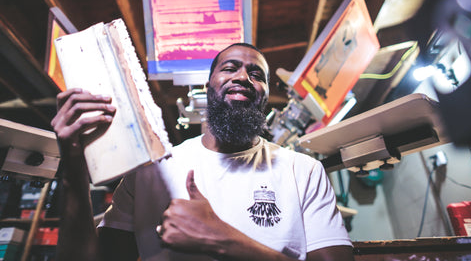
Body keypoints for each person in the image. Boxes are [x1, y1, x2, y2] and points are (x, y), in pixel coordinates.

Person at [51, 43, 353, 261]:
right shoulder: (151, 171)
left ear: (265, 94)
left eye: (257, 74)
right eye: (230, 68)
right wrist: (74, 164)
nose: (243, 77)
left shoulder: (303, 170)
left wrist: (221, 239)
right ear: (209, 86)